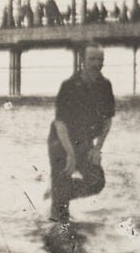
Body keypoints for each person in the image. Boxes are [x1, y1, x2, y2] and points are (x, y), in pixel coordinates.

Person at [47, 43, 114, 223]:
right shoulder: (69, 85)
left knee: (96, 182)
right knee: (61, 212)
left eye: (100, 59)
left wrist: (97, 149)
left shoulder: (105, 86)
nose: (96, 63)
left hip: (84, 140)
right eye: (92, 59)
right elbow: (60, 123)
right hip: (60, 140)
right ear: (83, 61)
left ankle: (58, 192)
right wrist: (70, 154)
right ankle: (58, 210)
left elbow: (107, 120)